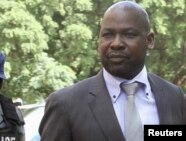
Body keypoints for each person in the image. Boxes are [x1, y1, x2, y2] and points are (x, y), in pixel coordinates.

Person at [39, 1, 185, 141]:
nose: (116, 44)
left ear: (150, 40)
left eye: (129, 34)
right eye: (107, 35)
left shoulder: (174, 98)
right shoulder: (65, 104)